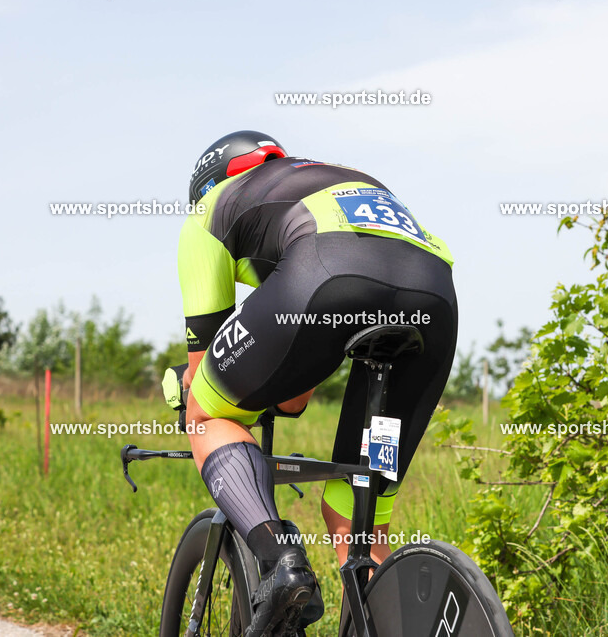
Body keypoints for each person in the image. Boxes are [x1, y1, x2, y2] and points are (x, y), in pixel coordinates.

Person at [173, 130, 457, 636]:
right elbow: (293, 393)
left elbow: (207, 370)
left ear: (209, 182)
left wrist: (187, 393)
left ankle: (280, 562)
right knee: (355, 511)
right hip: (433, 297)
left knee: (206, 412)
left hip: (326, 275)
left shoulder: (209, 210)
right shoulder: (328, 180)